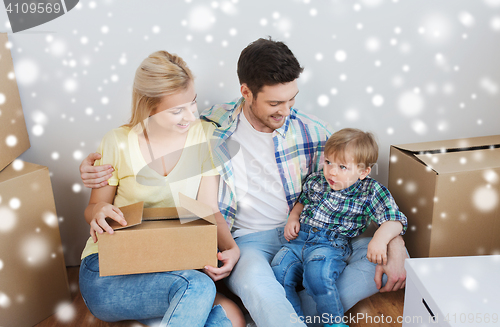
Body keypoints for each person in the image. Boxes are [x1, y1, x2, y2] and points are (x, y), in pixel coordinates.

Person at [80, 38, 408, 327]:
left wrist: (396, 243)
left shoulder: (313, 131)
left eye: (291, 99)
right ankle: (276, 311)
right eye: (275, 103)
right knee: (250, 286)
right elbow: (139, 159)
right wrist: (91, 174)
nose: (286, 111)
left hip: (308, 234)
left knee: (372, 256)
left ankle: (281, 314)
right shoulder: (213, 128)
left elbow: (362, 186)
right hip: (247, 242)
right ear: (246, 92)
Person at [78, 50, 244, 327]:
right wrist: (98, 211)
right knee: (198, 288)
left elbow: (208, 210)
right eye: (176, 110)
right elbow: (93, 208)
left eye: (192, 104)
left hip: (171, 265)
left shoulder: (202, 136)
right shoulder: (117, 142)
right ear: (149, 107)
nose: (190, 116)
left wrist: (232, 248)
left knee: (231, 319)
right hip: (107, 269)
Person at [272, 128, 408, 327]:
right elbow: (302, 201)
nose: (332, 171)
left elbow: (395, 220)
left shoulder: (370, 191)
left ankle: (334, 322)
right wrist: (293, 217)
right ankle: (294, 322)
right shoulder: (317, 180)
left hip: (329, 245)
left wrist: (379, 239)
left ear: (363, 171)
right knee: (278, 272)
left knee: (317, 275)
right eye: (328, 162)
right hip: (297, 240)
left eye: (342, 167)